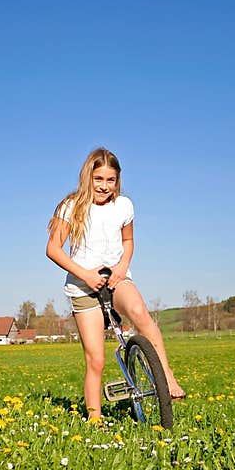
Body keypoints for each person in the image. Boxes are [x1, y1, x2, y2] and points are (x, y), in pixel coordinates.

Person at [46, 147, 185, 423]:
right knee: (95, 358)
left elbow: (128, 242)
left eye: (110, 180)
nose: (104, 186)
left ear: (117, 180)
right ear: (88, 177)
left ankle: (167, 376)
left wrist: (122, 268)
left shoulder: (124, 206)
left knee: (140, 313)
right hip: (83, 287)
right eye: (99, 179)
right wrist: (85, 275)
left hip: (116, 277)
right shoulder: (71, 206)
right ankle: (94, 419)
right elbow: (53, 249)